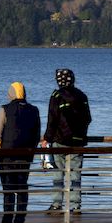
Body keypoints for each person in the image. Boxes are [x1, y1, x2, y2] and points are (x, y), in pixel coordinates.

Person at [0, 82, 40, 223]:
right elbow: (36, 135)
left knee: (8, 189)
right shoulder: (34, 110)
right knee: (22, 188)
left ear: (11, 93)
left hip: (7, 156)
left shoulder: (5, 109)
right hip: (25, 156)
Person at [41, 68, 91, 214]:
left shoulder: (56, 95)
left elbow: (52, 119)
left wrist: (47, 138)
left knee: (58, 174)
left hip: (60, 141)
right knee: (76, 175)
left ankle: (57, 204)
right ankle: (76, 205)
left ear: (58, 81)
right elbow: (88, 118)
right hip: (79, 141)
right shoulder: (82, 96)